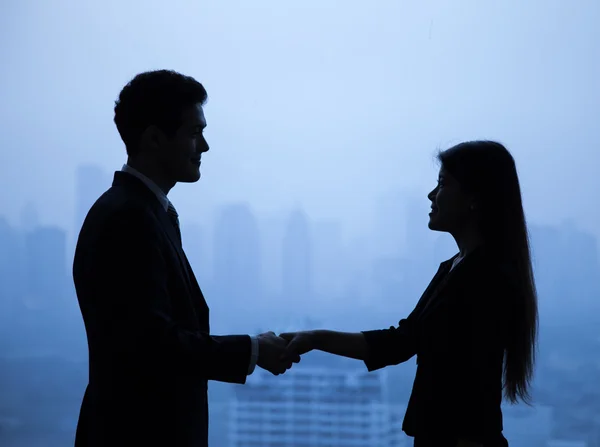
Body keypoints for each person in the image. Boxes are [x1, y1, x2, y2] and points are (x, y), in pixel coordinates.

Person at [72, 69, 299, 447]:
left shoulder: (145, 212)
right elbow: (151, 345)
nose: (205, 147)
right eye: (195, 133)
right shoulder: (129, 219)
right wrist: (253, 350)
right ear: (154, 139)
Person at [280, 141, 539, 447]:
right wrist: (315, 339)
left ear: (474, 198)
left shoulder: (486, 278)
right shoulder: (456, 268)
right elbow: (402, 341)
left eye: (442, 184)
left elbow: (470, 383)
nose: (432, 195)